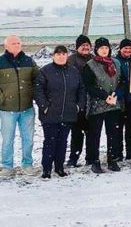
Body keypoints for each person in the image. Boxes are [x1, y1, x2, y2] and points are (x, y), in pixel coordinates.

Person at [34, 45, 86, 179]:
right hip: (50, 114)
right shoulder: (45, 71)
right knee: (50, 142)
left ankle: (59, 167)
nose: (61, 56)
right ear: (53, 56)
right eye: (58, 54)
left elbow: (81, 90)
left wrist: (78, 106)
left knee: (62, 142)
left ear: (67, 56)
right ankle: (46, 168)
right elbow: (38, 91)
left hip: (68, 114)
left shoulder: (73, 71)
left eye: (64, 54)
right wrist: (44, 106)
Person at [0, 35, 41, 178]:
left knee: (28, 138)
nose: (16, 45)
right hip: (7, 110)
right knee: (7, 139)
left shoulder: (28, 61)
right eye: (13, 43)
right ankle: (6, 166)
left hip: (27, 108)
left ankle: (27, 164)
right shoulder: (1, 62)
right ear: (6, 46)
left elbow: (38, 79)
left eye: (18, 43)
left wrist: (35, 95)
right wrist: (2, 98)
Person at [83, 37, 123, 174]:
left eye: (106, 48)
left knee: (113, 133)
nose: (104, 50)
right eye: (101, 48)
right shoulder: (90, 65)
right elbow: (88, 86)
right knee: (95, 135)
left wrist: (116, 94)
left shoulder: (116, 63)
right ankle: (95, 161)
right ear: (96, 50)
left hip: (114, 104)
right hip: (97, 105)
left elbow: (121, 81)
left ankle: (112, 159)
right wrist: (105, 96)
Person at [67, 34, 92, 168]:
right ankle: (74, 158)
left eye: (87, 45)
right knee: (76, 132)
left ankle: (90, 157)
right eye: (83, 45)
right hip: (76, 101)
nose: (85, 47)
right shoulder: (71, 60)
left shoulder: (94, 59)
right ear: (77, 47)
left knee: (91, 132)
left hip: (91, 101)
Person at [117, 38, 131, 161]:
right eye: (125, 48)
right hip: (119, 99)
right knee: (118, 128)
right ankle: (118, 153)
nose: (128, 50)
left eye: (130, 48)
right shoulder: (116, 62)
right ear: (120, 49)